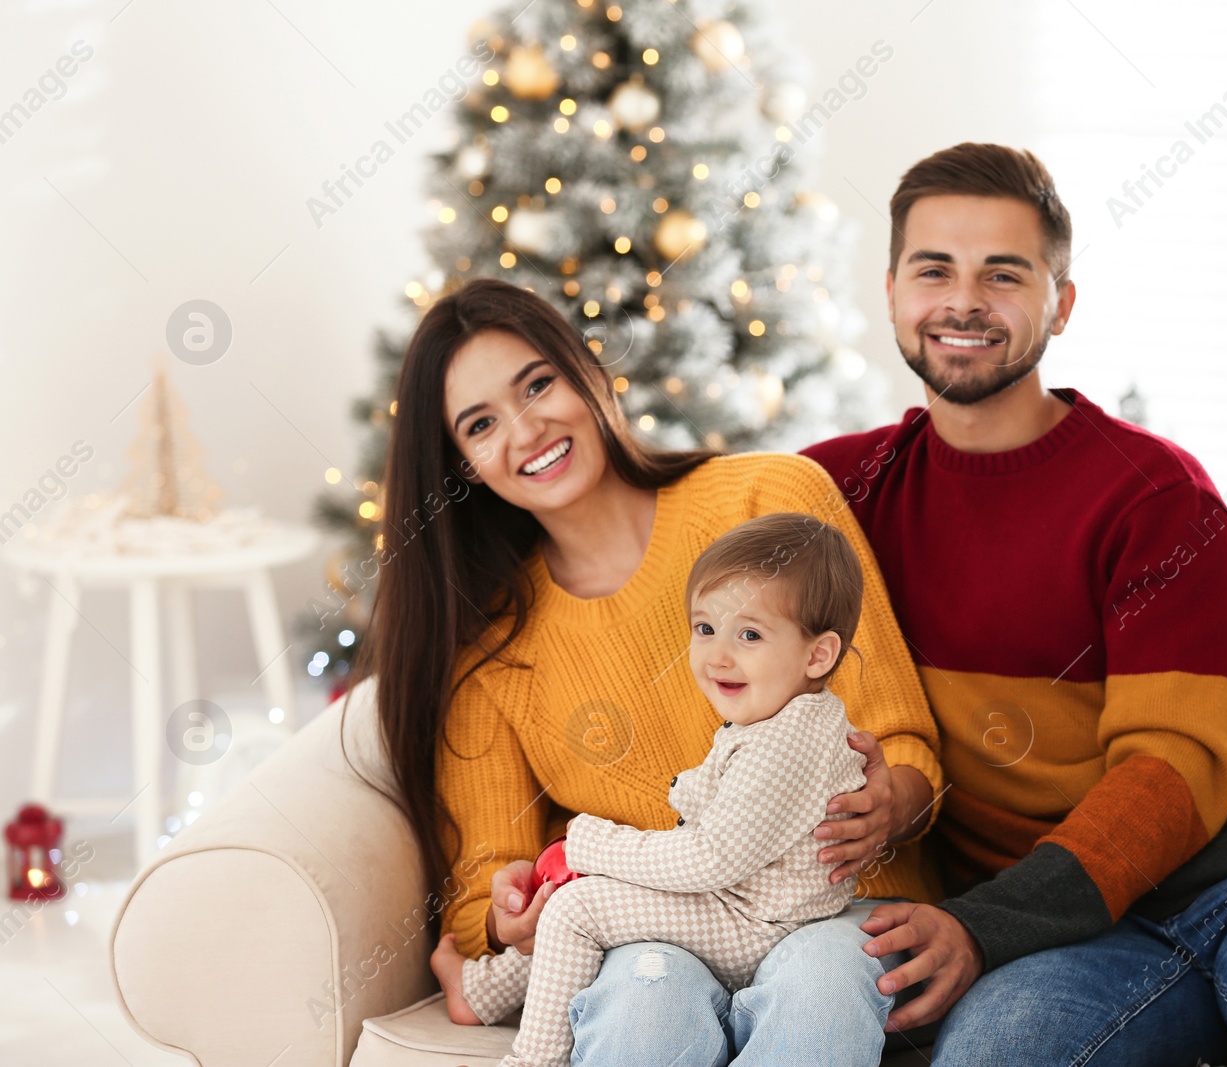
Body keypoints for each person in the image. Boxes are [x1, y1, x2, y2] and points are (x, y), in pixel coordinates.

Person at [801, 143, 1227, 1065]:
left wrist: (983, 924)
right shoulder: (840, 489)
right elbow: (651, 537)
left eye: (1004, 274)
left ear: (1061, 303)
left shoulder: (1155, 498)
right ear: (894, 291)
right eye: (933, 269)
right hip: (1088, 933)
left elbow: (1171, 775)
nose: (963, 301)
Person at [357, 278, 944, 1065]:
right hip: (658, 925)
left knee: (821, 987)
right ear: (459, 462)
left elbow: (904, 737)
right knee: (643, 1004)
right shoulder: (489, 652)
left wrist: (890, 801)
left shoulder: (768, 500)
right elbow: (477, 896)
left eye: (539, 384)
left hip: (832, 907)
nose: (528, 429)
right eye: (481, 423)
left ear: (586, 373)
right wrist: (507, 913)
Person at [432, 514, 880, 1067]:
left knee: (578, 908)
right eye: (704, 628)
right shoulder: (789, 718)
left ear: (818, 655)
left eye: (749, 634)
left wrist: (590, 844)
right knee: (601, 896)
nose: (717, 656)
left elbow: (710, 857)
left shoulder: (784, 744)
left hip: (759, 926)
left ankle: (534, 1059)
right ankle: (483, 990)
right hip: (742, 902)